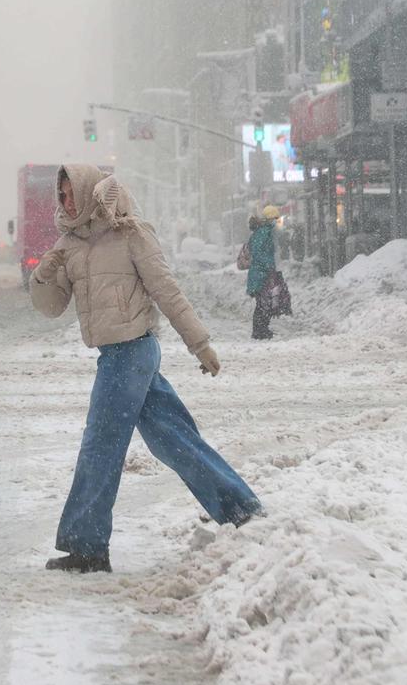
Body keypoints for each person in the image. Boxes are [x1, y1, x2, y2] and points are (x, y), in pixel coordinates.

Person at [29, 164, 262, 573]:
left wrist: (200, 343)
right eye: (60, 196)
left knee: (100, 446)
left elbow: (165, 289)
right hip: (118, 357)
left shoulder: (129, 232)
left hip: (131, 354)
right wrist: (43, 277)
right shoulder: (70, 244)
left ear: (86, 191)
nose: (65, 202)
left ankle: (87, 547)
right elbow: (51, 308)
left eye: (71, 193)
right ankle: (241, 508)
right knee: (174, 440)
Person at [247, 205, 281, 340]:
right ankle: (260, 331)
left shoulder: (263, 232)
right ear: (270, 220)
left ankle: (261, 329)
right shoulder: (264, 233)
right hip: (261, 274)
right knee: (263, 303)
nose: (276, 222)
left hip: (260, 273)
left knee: (263, 303)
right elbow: (259, 253)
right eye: (275, 219)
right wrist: (269, 267)